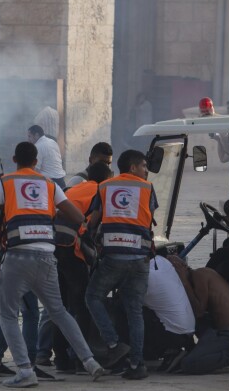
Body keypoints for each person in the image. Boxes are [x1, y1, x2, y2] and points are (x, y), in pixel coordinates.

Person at [0, 141, 104, 387]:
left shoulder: (5, 182)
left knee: (7, 315)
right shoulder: (49, 184)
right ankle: (90, 362)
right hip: (48, 255)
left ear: (15, 158)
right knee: (58, 311)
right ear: (37, 162)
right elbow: (78, 217)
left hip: (17, 255)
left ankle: (25, 371)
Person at [85, 149, 158, 380]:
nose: (146, 170)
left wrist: (87, 234)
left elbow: (94, 219)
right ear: (133, 167)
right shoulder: (147, 188)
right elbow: (148, 217)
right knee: (134, 311)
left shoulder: (105, 187)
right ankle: (137, 365)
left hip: (113, 257)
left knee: (93, 297)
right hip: (139, 258)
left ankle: (114, 343)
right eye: (144, 166)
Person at [52, 161, 112, 372]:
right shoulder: (102, 192)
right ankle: (81, 359)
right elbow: (95, 225)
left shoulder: (75, 187)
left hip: (53, 247)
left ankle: (60, 358)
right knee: (83, 306)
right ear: (106, 178)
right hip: (72, 250)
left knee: (60, 306)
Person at [168, 256, 229, 375]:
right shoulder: (193, 280)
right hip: (214, 332)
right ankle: (192, 351)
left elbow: (199, 311)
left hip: (228, 333)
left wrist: (184, 281)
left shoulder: (200, 274)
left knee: (190, 363)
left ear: (183, 267)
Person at [142, 255, 195, 372]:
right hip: (188, 331)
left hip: (173, 335)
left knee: (132, 311)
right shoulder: (163, 263)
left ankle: (129, 354)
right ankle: (172, 351)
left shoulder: (146, 279)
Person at [27, 125, 66, 189]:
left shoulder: (37, 146)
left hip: (49, 183)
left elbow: (36, 170)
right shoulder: (52, 142)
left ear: (36, 135)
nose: (28, 139)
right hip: (61, 181)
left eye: (29, 136)